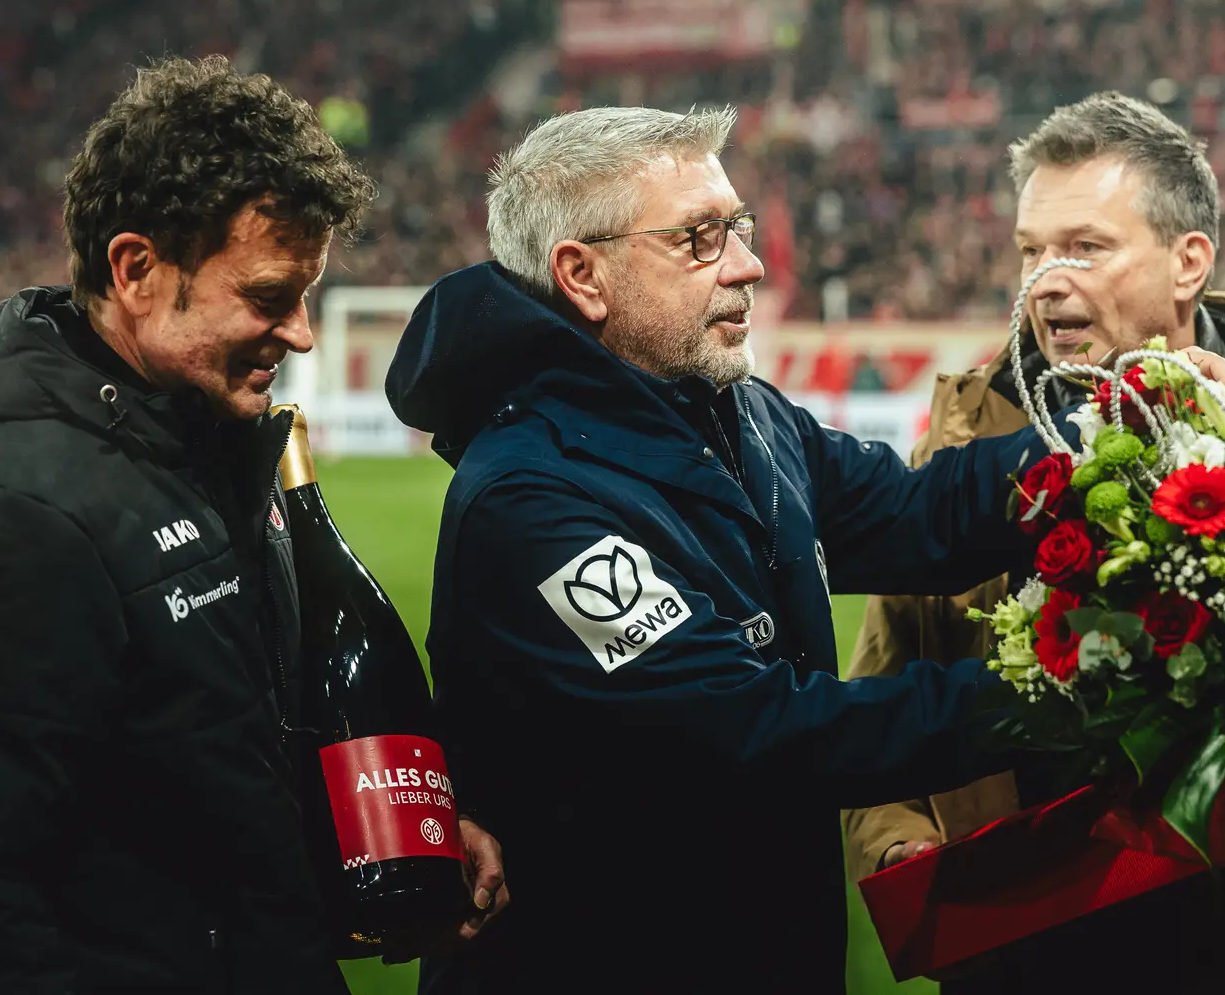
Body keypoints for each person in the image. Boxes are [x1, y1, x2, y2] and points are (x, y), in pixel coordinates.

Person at [385, 105, 1079, 994]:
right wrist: (1060, 694)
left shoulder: (738, 413)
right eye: (699, 238)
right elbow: (760, 733)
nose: (749, 264)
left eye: (739, 227)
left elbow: (918, 513)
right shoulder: (530, 500)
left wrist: (1108, 436)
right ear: (583, 275)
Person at [0, 56, 503, 994]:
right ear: (137, 271)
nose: (302, 333)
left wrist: (390, 840)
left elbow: (217, 766)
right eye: (268, 296)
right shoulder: (20, 518)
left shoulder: (211, 449)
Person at [841, 90, 1225, 993]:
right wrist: (899, 846)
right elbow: (885, 686)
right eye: (1031, 251)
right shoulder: (962, 451)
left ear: (1188, 261)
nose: (1046, 281)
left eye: (1084, 247)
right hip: (1026, 958)